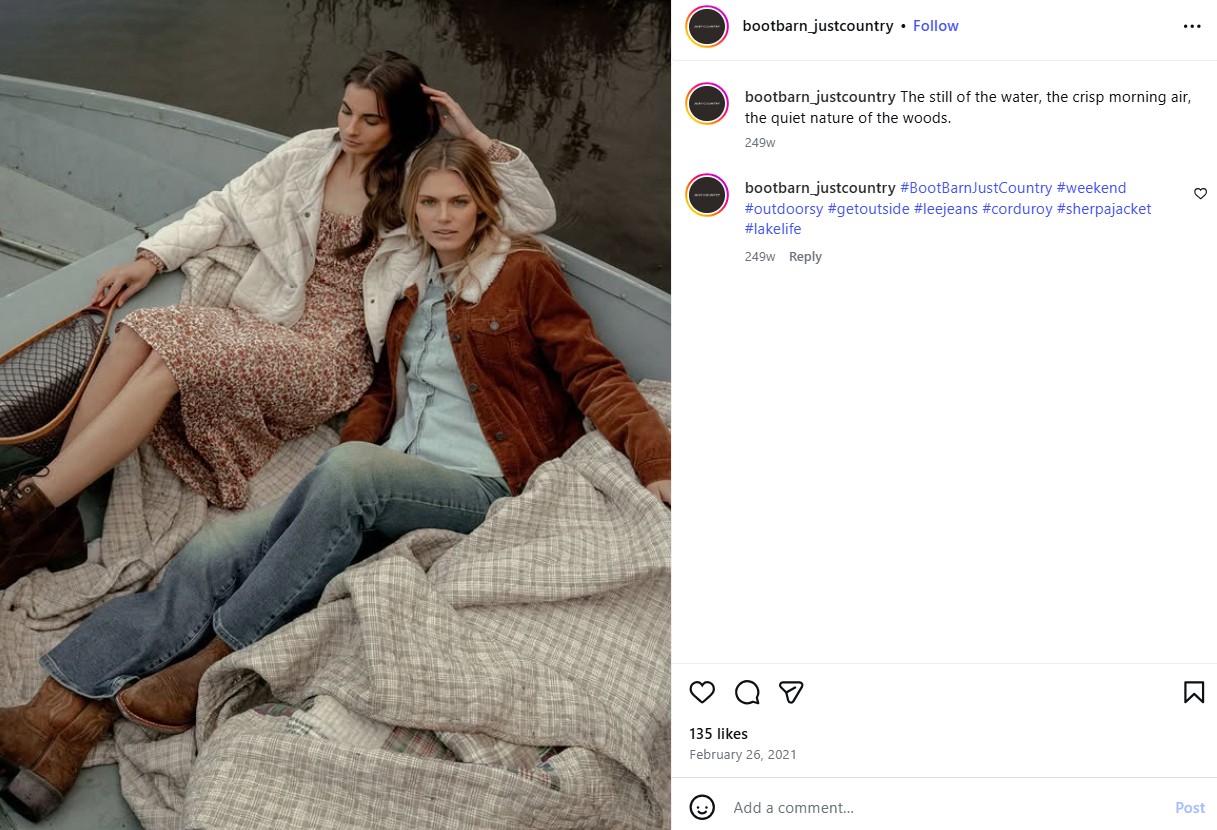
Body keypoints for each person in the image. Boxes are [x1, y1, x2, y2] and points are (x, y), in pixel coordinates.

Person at [0, 137, 668, 822]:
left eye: (459, 202)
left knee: (349, 473)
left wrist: (658, 464)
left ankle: (219, 653)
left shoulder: (524, 272)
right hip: (389, 479)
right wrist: (336, 474)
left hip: (481, 487)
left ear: (483, 206)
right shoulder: (409, 287)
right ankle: (55, 718)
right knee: (210, 552)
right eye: (429, 203)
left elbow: (596, 374)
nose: (443, 217)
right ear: (412, 209)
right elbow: (381, 394)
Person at [0, 51, 556, 588]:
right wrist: (152, 259)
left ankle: (33, 510)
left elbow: (533, 213)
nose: (351, 129)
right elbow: (227, 208)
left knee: (171, 362)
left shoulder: (420, 179)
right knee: (136, 332)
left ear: (402, 124)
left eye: (371, 120)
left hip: (332, 355)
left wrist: (472, 136)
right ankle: (55, 507)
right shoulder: (310, 152)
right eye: (346, 110)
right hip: (271, 319)